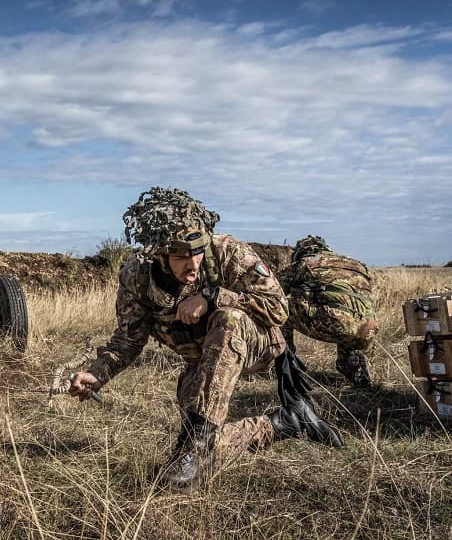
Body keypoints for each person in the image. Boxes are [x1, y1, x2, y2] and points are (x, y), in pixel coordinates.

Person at [69, 187, 343, 490]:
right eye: (180, 256)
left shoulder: (227, 252)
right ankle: (284, 424)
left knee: (228, 320)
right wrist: (96, 374)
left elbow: (278, 309)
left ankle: (197, 446)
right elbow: (128, 340)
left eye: (197, 251)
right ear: (157, 253)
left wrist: (213, 297)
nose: (193, 263)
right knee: (203, 443)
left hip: (257, 343)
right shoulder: (137, 279)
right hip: (204, 362)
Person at [280, 235, 379, 387]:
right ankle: (355, 369)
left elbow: (274, 291)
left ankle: (287, 362)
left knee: (279, 308)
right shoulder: (357, 265)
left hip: (337, 323)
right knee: (347, 318)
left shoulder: (305, 263)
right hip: (368, 329)